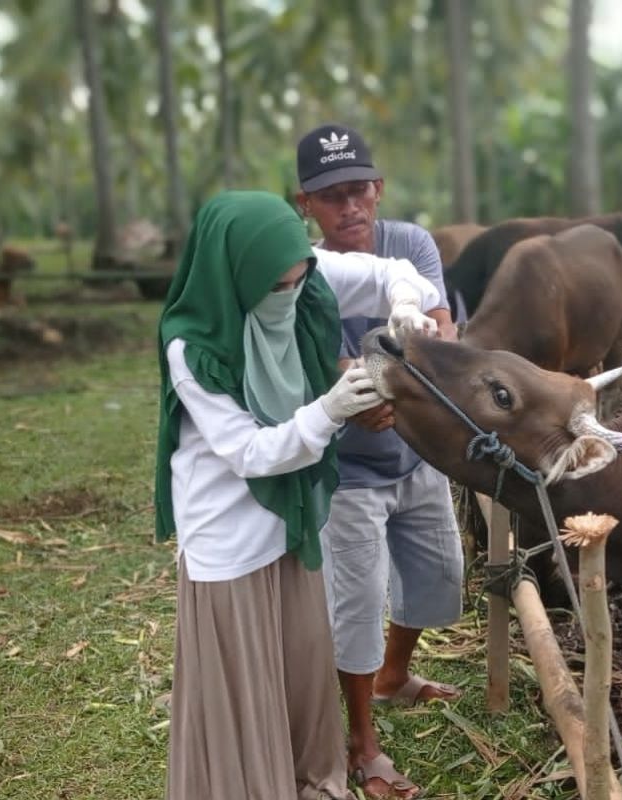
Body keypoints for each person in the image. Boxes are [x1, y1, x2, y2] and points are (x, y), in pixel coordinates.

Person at [154, 190, 441, 800]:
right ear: (235, 277)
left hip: (291, 519)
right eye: (275, 288)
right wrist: (330, 409)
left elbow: (394, 271)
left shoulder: (306, 279)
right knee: (246, 689)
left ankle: (313, 779)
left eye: (296, 280)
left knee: (300, 666)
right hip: (230, 537)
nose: (290, 296)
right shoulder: (195, 349)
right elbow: (250, 455)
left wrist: (408, 307)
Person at [295, 124, 464, 800]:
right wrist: (358, 392)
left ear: (379, 188)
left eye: (359, 191)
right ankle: (362, 744)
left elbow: (441, 327)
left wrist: (396, 384)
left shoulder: (411, 245)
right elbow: (322, 361)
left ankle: (395, 676)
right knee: (358, 603)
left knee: (438, 575)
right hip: (351, 469)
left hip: (418, 449)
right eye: (331, 197)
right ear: (305, 204)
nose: (350, 209)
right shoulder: (303, 270)